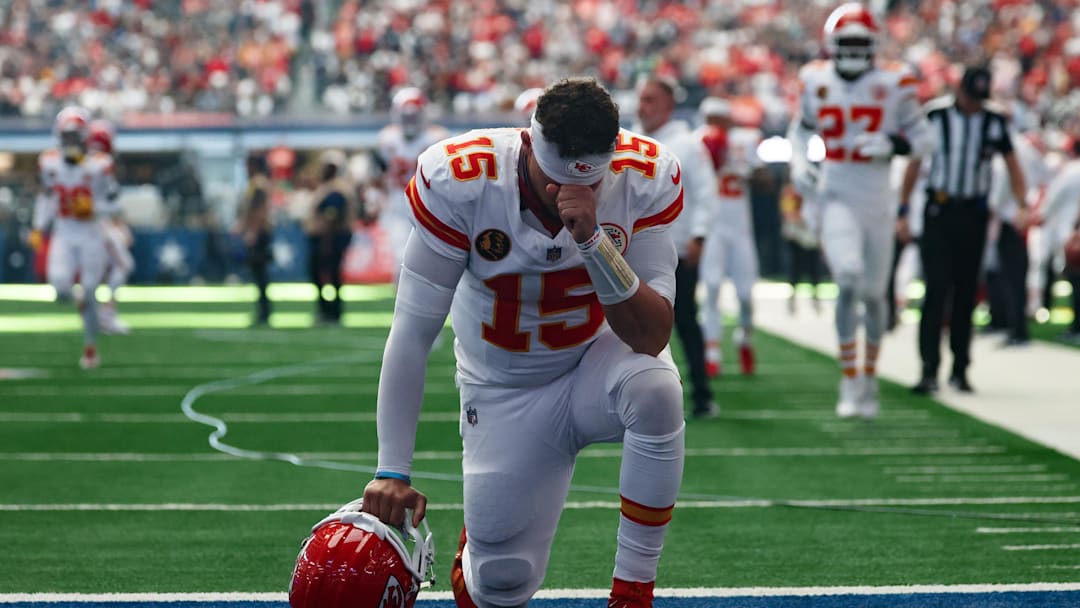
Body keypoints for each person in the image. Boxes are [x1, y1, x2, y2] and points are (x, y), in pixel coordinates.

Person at [361, 78, 686, 608]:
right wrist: (392, 469)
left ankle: (633, 594)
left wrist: (593, 241)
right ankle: (481, 551)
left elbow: (650, 336)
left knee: (657, 389)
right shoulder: (463, 179)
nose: (564, 196)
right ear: (529, 144)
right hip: (503, 388)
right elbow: (413, 332)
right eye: (552, 181)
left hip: (595, 366)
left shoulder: (643, 176)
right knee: (502, 585)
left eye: (585, 182)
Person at [787, 3, 935, 418]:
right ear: (832, 45)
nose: (852, 50)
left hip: (878, 197)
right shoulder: (815, 80)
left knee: (873, 296)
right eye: (846, 42)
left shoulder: (896, 80)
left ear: (873, 45)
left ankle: (868, 378)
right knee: (848, 278)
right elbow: (799, 131)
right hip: (836, 190)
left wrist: (894, 144)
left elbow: (925, 140)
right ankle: (850, 378)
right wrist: (800, 164)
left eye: (859, 42)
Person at [899, 65, 1028, 394]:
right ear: (960, 91)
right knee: (936, 290)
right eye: (971, 98)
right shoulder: (935, 115)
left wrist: (1022, 205)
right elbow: (915, 162)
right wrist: (902, 209)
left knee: (966, 292)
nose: (974, 106)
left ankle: (960, 367)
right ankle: (929, 369)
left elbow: (1013, 166)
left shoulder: (993, 121)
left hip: (973, 213)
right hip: (939, 211)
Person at [634, 77, 718, 417]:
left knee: (684, 321)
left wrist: (699, 235)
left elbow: (705, 191)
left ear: (668, 105)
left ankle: (702, 394)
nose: (643, 107)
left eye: (650, 100)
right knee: (630, 327)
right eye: (642, 99)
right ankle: (640, 397)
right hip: (637, 250)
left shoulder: (686, 143)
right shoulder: (632, 140)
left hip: (676, 249)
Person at [29, 106, 120, 368]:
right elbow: (46, 197)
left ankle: (90, 346)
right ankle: (80, 303)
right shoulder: (49, 162)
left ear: (84, 136)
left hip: (91, 232)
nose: (70, 141)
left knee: (90, 290)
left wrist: (94, 208)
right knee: (59, 286)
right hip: (64, 232)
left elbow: (116, 204)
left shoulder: (100, 164)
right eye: (66, 136)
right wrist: (38, 226)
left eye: (74, 136)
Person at [696, 96, 764, 376]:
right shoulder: (696, 142)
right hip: (712, 227)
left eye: (719, 118)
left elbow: (766, 182)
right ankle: (712, 351)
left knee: (746, 293)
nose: (715, 124)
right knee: (711, 288)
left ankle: (745, 339)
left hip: (740, 228)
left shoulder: (745, 141)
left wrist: (744, 169)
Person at [372, 87, 450, 275]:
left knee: (433, 262)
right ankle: (402, 303)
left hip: (431, 206)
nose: (410, 121)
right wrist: (377, 198)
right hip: (399, 207)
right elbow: (379, 174)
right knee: (400, 260)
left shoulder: (438, 138)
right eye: (406, 116)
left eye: (414, 116)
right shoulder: (386, 139)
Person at [985, 126, 1048, 346]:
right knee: (1012, 276)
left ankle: (1016, 328)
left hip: (1012, 219)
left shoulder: (1012, 150)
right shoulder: (1027, 148)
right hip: (1019, 216)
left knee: (1012, 278)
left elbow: (1002, 183)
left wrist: (995, 206)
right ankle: (1011, 324)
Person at [87, 119, 133, 335]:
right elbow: (108, 201)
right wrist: (119, 224)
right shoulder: (100, 163)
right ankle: (104, 315)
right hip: (96, 223)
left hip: (90, 224)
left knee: (99, 271)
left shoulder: (83, 162)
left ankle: (97, 314)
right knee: (123, 265)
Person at [306, 149, 354, 325]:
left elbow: (331, 216)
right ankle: (329, 309)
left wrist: (327, 241)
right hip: (327, 236)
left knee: (329, 274)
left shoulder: (336, 189)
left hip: (329, 237)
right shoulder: (328, 187)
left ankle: (332, 311)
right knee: (325, 274)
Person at [237, 153, 273, 326]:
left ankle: (264, 311)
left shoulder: (258, 184)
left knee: (260, 273)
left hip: (259, 233)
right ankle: (263, 310)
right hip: (259, 231)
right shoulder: (258, 183)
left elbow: (257, 211)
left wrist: (252, 232)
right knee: (259, 273)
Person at [779, 183, 824, 315]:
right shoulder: (791, 190)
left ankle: (815, 297)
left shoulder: (816, 189)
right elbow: (788, 211)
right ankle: (792, 298)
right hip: (797, 232)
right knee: (795, 268)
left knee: (813, 268)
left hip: (811, 233)